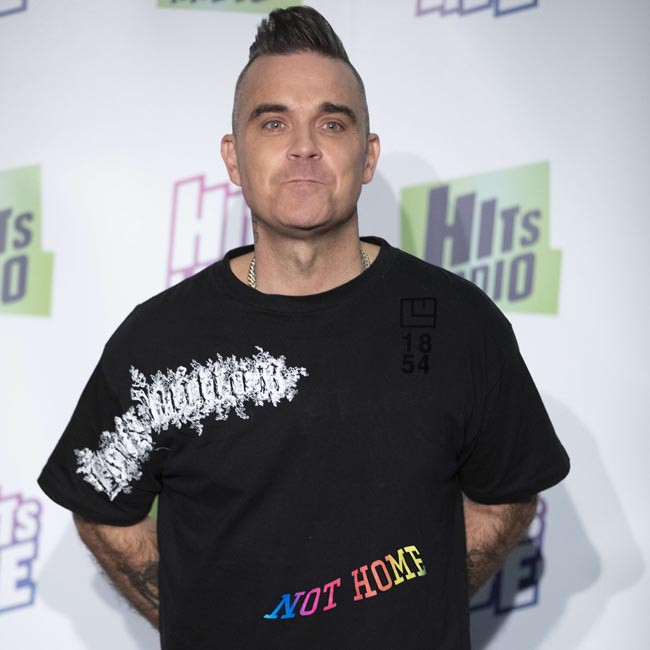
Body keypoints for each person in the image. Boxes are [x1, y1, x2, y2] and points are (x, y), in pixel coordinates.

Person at [37, 6, 570, 649]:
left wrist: (418, 605)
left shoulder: (459, 323)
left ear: (367, 156)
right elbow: (101, 506)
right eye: (273, 122)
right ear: (234, 158)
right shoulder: (158, 343)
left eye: (332, 122)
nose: (304, 146)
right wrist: (202, 618)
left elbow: (505, 496)